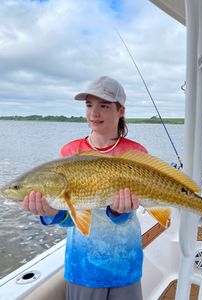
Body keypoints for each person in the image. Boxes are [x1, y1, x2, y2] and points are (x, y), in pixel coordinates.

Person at [23, 76, 148, 300]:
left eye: (104, 105)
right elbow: (72, 217)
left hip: (126, 264)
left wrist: (120, 211)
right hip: (83, 266)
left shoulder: (136, 153)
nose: (94, 113)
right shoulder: (70, 153)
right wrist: (50, 212)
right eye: (89, 105)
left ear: (121, 111)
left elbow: (132, 211)